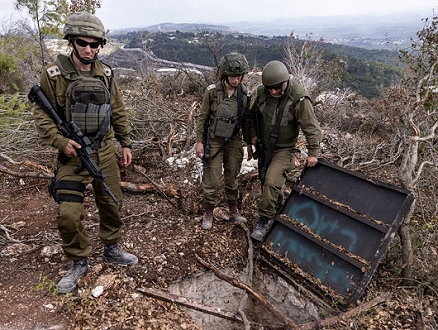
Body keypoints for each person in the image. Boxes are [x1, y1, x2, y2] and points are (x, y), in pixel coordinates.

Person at [32, 12, 138, 294]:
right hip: (72, 154)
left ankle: (111, 248)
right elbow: (42, 115)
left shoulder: (105, 73)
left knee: (112, 202)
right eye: (83, 43)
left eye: (95, 44)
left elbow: (117, 110)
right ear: (72, 42)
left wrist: (125, 143)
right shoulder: (53, 76)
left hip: (103, 150)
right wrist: (60, 141)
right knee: (68, 214)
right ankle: (79, 260)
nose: (89, 49)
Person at [246, 60, 322, 241]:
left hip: (284, 149)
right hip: (264, 147)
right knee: (267, 180)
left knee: (272, 182)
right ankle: (281, 211)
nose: (273, 92)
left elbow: (312, 128)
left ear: (285, 82)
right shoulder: (261, 93)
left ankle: (264, 220)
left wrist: (313, 153)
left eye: (277, 88)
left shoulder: (298, 99)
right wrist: (252, 138)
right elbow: (249, 116)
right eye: (270, 88)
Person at [195, 52, 251, 230]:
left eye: (239, 76)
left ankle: (233, 211)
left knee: (232, 175)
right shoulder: (212, 92)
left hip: (234, 140)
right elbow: (202, 118)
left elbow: (247, 121)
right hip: (214, 140)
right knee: (212, 178)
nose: (236, 80)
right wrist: (199, 142)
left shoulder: (243, 93)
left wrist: (250, 143)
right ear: (225, 75)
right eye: (233, 76)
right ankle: (209, 212)